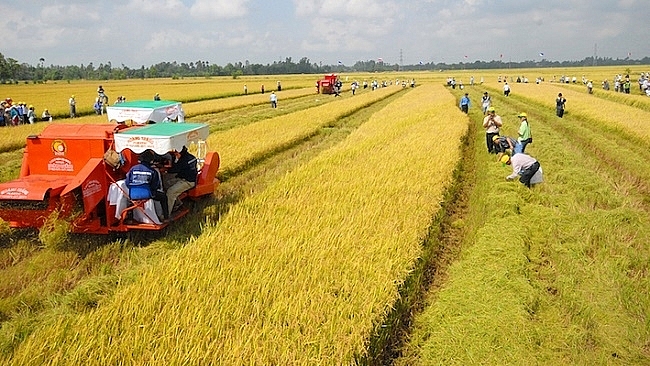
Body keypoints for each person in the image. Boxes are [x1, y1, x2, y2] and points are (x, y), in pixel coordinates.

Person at [125, 150, 169, 220]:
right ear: (151, 161)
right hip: (147, 194)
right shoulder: (152, 171)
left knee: (129, 201)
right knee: (163, 197)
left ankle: (130, 219)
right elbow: (155, 186)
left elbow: (127, 183)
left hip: (132, 194)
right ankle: (166, 218)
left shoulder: (132, 169)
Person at [165, 146, 198, 217]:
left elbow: (173, 170)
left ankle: (166, 214)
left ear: (180, 153)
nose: (175, 155)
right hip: (186, 178)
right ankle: (177, 204)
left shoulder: (183, 160)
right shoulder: (191, 157)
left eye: (176, 153)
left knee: (170, 192)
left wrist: (165, 167)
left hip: (188, 182)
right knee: (166, 185)